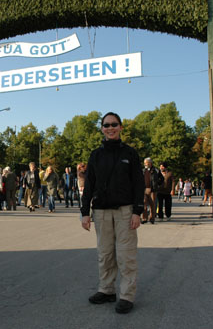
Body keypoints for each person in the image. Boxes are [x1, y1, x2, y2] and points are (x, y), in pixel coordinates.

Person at [80, 112, 144, 314]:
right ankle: (107, 290)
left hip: (125, 212)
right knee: (105, 254)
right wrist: (84, 212)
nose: (110, 128)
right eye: (106, 125)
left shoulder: (130, 153)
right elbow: (88, 185)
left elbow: (139, 184)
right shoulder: (95, 155)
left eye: (114, 124)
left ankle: (126, 295)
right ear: (102, 129)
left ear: (121, 127)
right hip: (101, 212)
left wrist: (137, 211)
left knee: (126, 256)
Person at [142, 157, 161, 224]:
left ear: (150, 163)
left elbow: (161, 179)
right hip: (145, 189)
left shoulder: (156, 170)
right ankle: (144, 218)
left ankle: (152, 218)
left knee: (152, 204)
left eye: (146, 163)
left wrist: (157, 185)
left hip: (153, 190)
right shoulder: (143, 170)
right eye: (144, 163)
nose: (145, 164)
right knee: (144, 203)